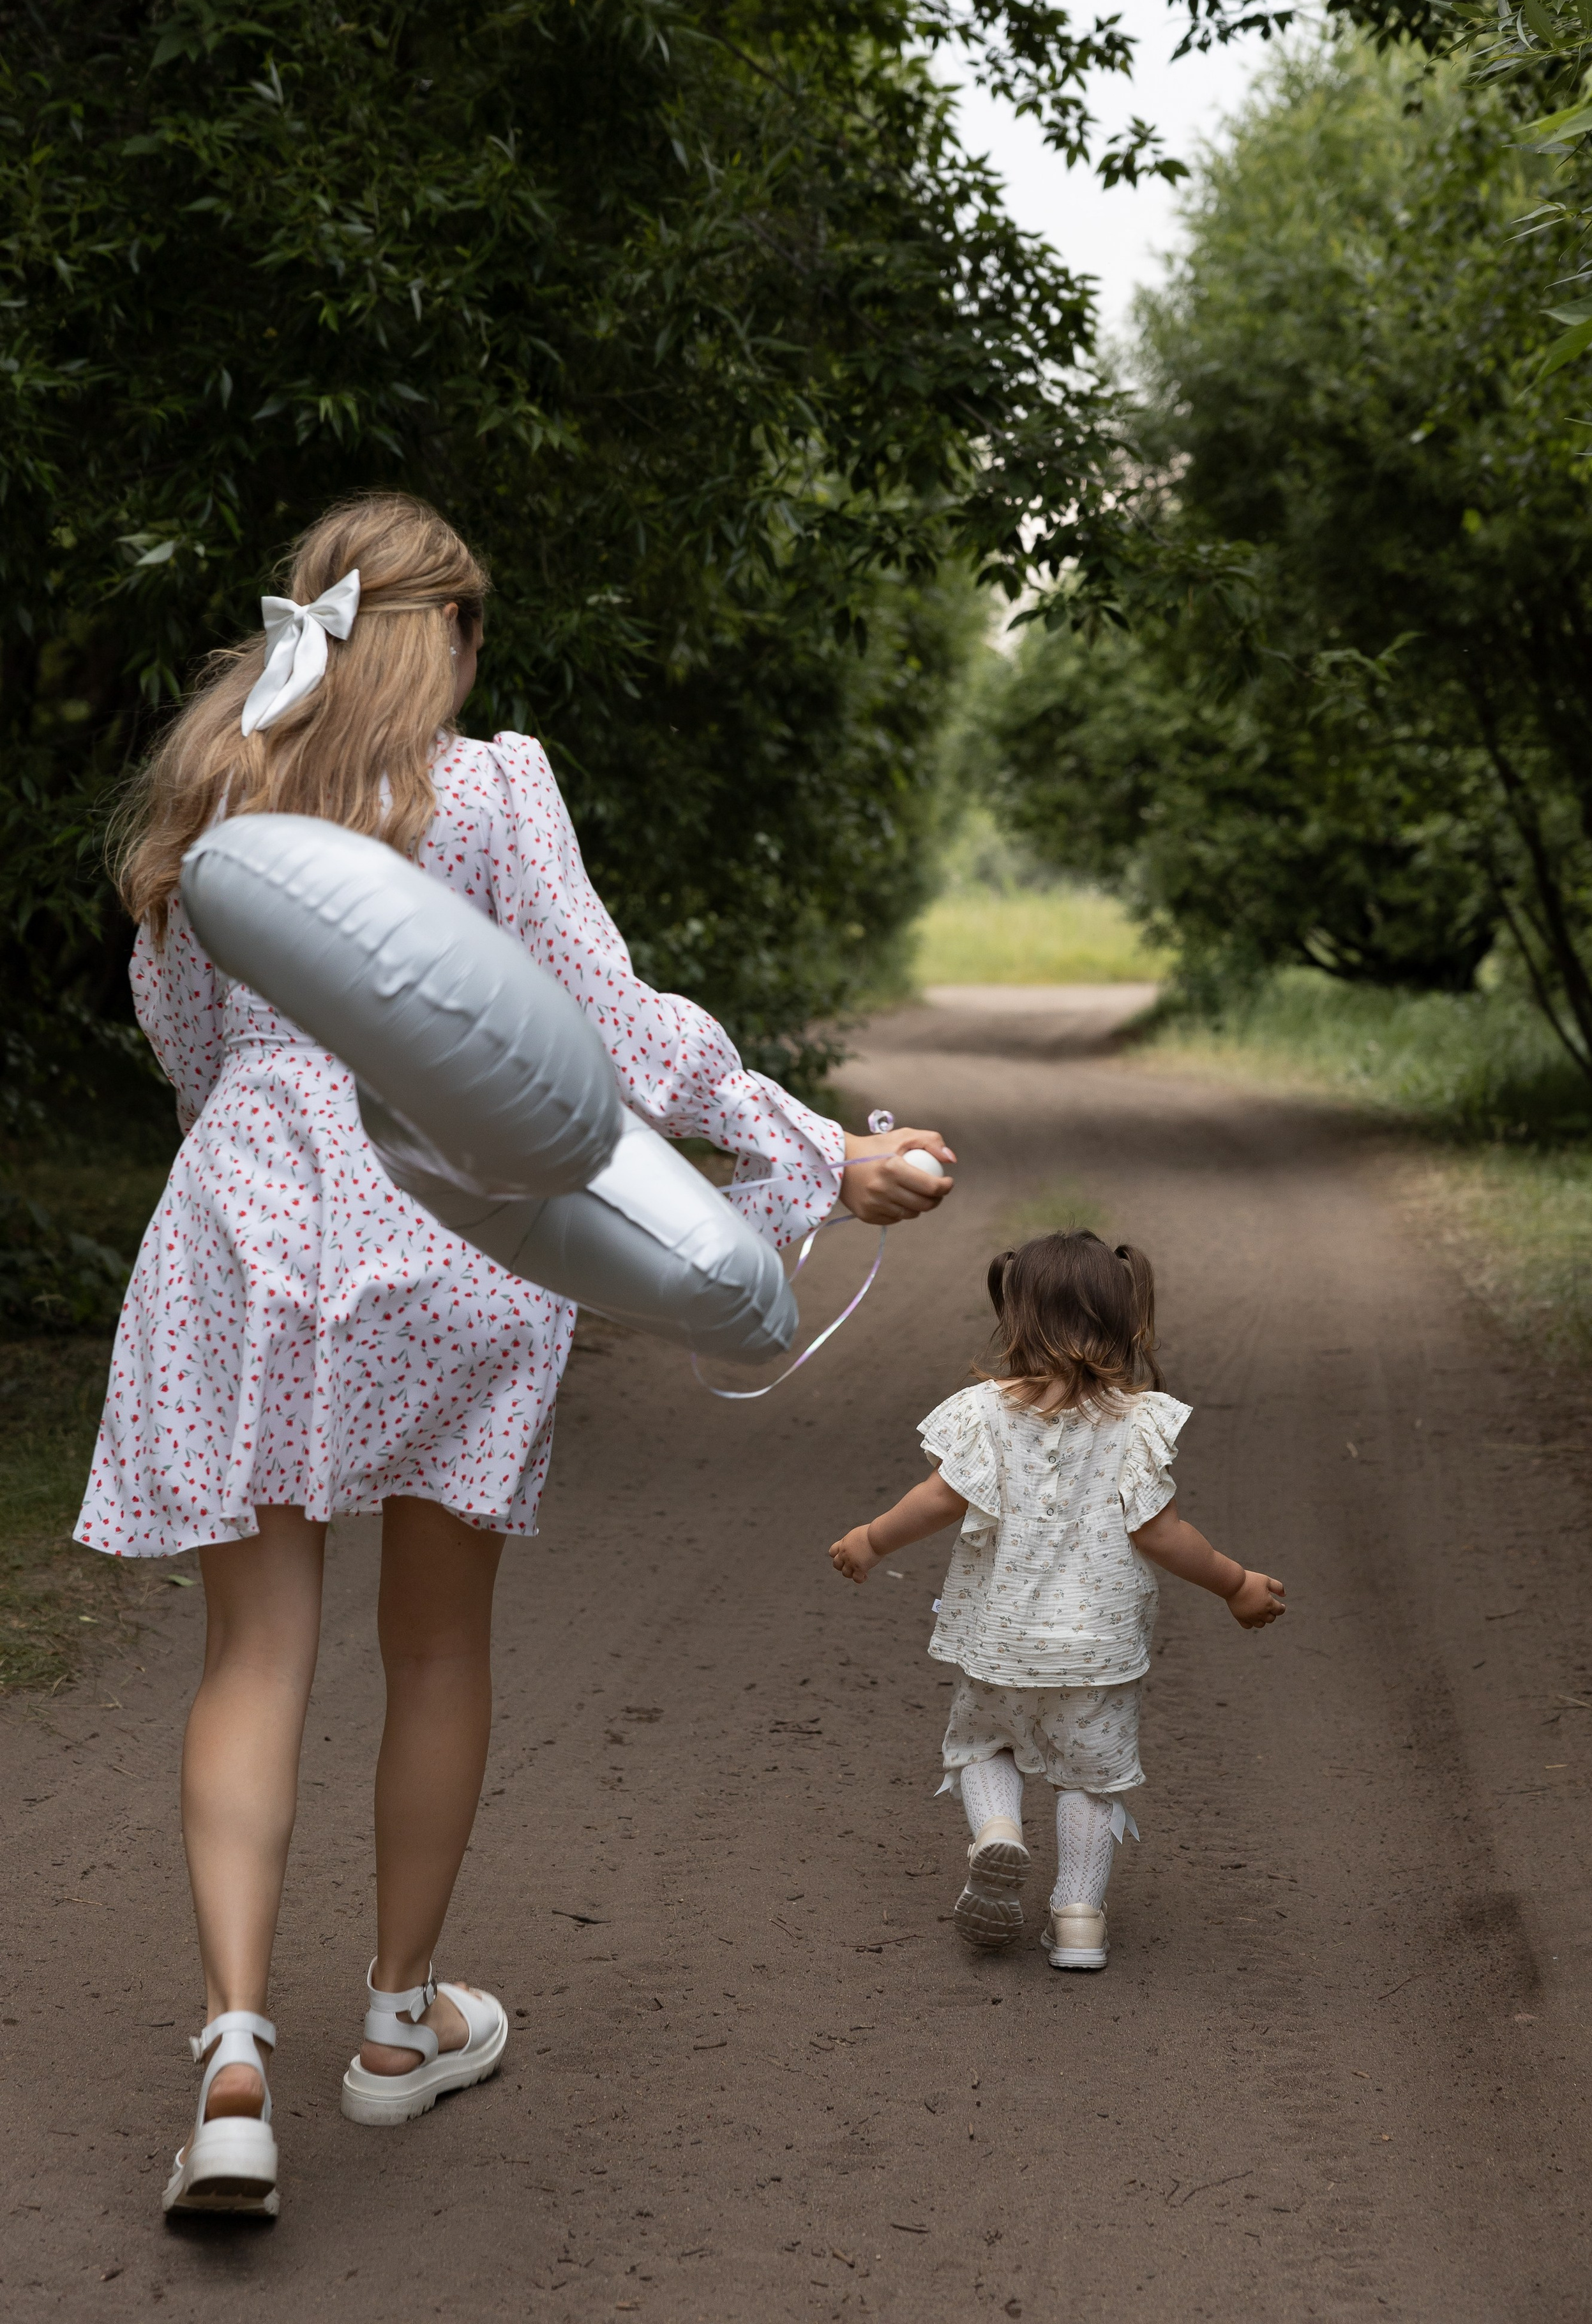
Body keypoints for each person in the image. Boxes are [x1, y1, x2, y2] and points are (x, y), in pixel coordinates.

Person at [79, 491, 955, 2219]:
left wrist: (265, 1130)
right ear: (457, 640)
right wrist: (814, 1158)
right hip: (454, 1228)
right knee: (437, 1650)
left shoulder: (217, 793)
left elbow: (183, 1042)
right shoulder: (487, 788)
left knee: (253, 1661)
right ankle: (399, 2032)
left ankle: (236, 2064)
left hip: (242, 1234)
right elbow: (601, 1030)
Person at [828, 1229, 1284, 1973]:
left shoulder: (980, 1413)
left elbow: (938, 1499)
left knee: (983, 1745)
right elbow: (1164, 1534)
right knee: (1091, 1779)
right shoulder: (1138, 1423)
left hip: (998, 1642)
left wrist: (871, 1541)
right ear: (1126, 1318)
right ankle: (1078, 1918)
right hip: (1097, 1651)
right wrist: (1235, 1584)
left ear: (1015, 1315)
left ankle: (998, 1831)